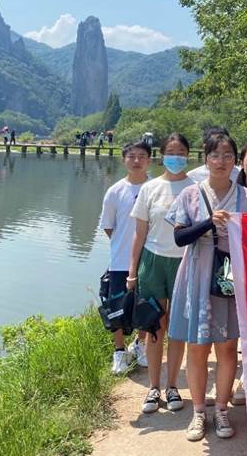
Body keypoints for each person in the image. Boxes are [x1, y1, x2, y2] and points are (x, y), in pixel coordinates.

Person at [167, 132, 247, 441]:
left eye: (227, 155)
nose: (221, 161)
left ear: (235, 161)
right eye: (215, 155)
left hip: (230, 276)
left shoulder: (245, 197)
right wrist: (209, 223)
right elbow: (180, 237)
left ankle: (221, 408)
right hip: (197, 273)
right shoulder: (190, 194)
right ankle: (198, 411)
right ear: (206, 159)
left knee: (228, 346)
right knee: (197, 346)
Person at [128, 133, 195, 415]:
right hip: (153, 262)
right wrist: (132, 271)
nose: (175, 157)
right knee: (155, 327)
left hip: (184, 263)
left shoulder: (196, 189)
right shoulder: (150, 188)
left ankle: (172, 385)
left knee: (177, 328)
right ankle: (154, 387)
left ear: (188, 155)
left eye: (180, 152)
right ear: (162, 155)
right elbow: (139, 233)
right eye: (171, 152)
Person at [98, 141, 152, 374]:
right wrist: (124, 245)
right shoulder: (115, 191)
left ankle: (140, 344)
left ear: (149, 160)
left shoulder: (155, 188)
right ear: (124, 160)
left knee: (146, 304)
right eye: (131, 156)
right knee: (116, 306)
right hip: (120, 261)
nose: (136, 161)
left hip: (150, 258)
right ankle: (119, 352)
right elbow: (108, 226)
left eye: (142, 156)